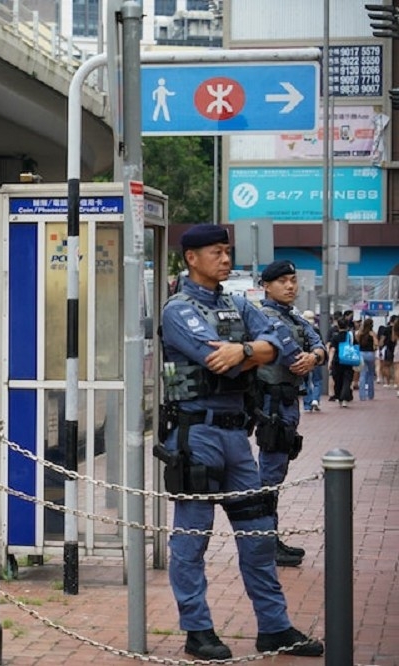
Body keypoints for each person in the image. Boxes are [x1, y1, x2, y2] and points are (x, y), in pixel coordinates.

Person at [158, 226, 323, 660]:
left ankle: (275, 628)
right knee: (193, 539)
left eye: (227, 252)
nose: (226, 259)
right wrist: (251, 353)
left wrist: (244, 352)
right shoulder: (178, 309)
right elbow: (217, 360)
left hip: (237, 437)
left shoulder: (237, 303)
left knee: (259, 536)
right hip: (198, 437)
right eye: (217, 252)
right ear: (192, 258)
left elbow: (282, 344)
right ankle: (198, 630)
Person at [252, 261, 325, 567]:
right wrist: (308, 357)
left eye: (293, 280)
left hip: (286, 404)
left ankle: (268, 539)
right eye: (283, 281)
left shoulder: (291, 315)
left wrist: (315, 356)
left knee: (277, 472)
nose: (290, 286)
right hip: (272, 405)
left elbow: (320, 346)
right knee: (269, 475)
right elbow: (291, 353)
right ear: (266, 286)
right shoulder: (264, 316)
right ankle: (263, 543)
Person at [329, 317, 356, 407]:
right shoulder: (351, 336)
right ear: (347, 325)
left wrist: (330, 361)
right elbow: (355, 346)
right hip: (348, 360)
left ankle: (339, 397)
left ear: (338, 325)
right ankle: (345, 398)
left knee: (338, 380)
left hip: (337, 361)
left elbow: (332, 349)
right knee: (347, 379)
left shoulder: (335, 336)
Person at [301, 311, 324, 412]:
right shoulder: (316, 330)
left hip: (304, 357)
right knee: (317, 380)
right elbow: (320, 344)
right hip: (315, 356)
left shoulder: (300, 329)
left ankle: (307, 405)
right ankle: (315, 399)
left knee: (306, 382)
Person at [356, 318, 378, 400]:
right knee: (370, 375)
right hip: (370, 354)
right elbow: (376, 344)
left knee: (362, 375)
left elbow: (357, 341)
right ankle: (370, 395)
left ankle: (362, 396)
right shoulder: (372, 333)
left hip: (361, 354)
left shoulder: (360, 333)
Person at [377, 315, 397, 389]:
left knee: (386, 366)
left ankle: (387, 382)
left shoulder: (386, 329)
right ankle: (395, 382)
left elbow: (382, 339)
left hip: (387, 348)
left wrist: (380, 348)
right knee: (396, 367)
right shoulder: (397, 329)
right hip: (396, 348)